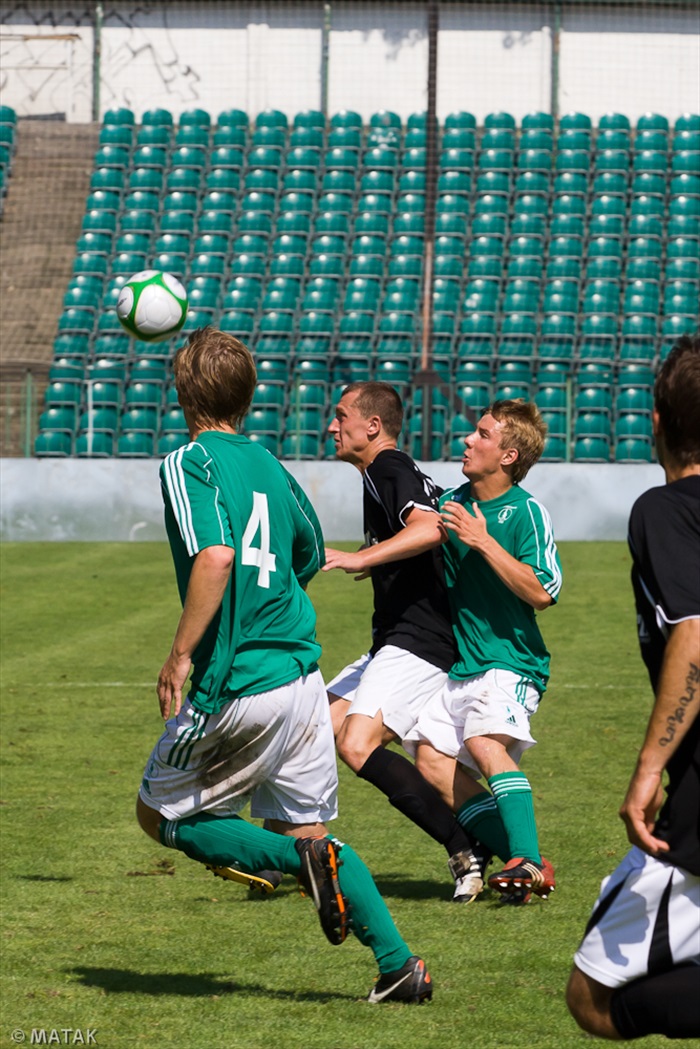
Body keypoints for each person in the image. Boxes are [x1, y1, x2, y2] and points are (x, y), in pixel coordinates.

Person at [135, 328, 432, 1005]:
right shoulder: (271, 464)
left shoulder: (189, 461)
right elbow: (306, 552)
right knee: (309, 828)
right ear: (248, 396)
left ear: (183, 394)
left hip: (239, 680)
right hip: (302, 678)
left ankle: (297, 863)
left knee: (161, 812)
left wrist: (181, 653)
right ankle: (398, 965)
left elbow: (214, 556)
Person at [566, 336, 700, 1040]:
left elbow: (696, 631)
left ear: (656, 420)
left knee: (593, 998)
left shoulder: (667, 508)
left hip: (695, 806)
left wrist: (647, 770)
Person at [322, 381, 491, 904]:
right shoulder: (390, 472)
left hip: (420, 641)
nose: (332, 426)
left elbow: (429, 528)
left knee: (356, 743)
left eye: (342, 416)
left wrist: (360, 557)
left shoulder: (388, 468)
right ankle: (286, 851)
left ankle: (464, 847)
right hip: (399, 639)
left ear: (372, 426)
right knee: (315, 725)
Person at [407, 399, 562, 903]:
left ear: (509, 455)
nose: (468, 441)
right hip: (464, 664)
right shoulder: (453, 501)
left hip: (511, 661)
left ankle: (527, 861)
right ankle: (524, 861)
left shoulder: (525, 511)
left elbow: (543, 590)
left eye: (482, 435)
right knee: (430, 759)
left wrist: (484, 542)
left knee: (484, 745)